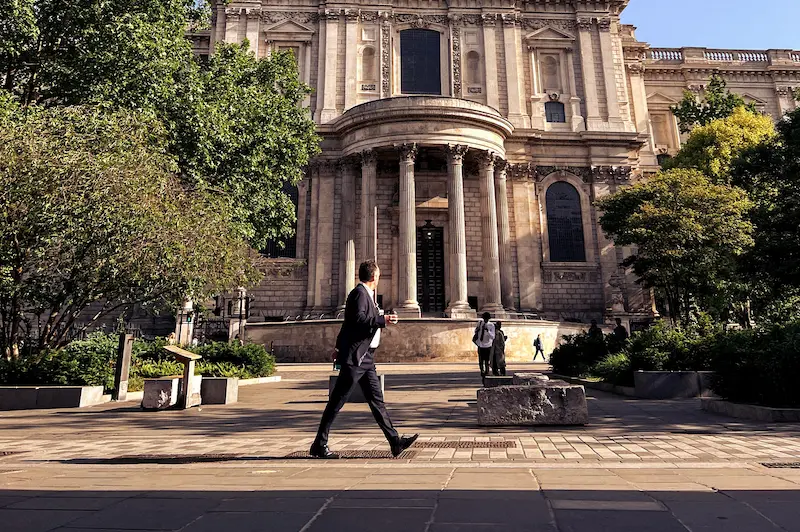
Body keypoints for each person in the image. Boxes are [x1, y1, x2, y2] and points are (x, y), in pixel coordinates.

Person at [310, 260, 419, 459]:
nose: (379, 279)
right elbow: (358, 320)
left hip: (366, 358)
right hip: (356, 358)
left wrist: (337, 346)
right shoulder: (360, 294)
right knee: (337, 401)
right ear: (374, 277)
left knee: (377, 401)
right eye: (378, 276)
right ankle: (319, 444)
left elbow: (347, 324)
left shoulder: (366, 295)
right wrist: (382, 320)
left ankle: (395, 442)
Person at [473, 312, 495, 377]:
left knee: (487, 360)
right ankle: (482, 370)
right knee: (481, 360)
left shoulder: (491, 325)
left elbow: (493, 337)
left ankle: (487, 371)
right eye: (484, 319)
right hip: (480, 344)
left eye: (486, 319)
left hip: (488, 345)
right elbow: (476, 331)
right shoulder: (480, 323)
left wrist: (488, 331)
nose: (485, 320)